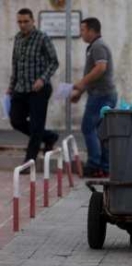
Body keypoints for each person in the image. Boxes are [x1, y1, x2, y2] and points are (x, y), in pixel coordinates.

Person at [7, 8, 59, 165]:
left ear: (33, 21)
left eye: (25, 21)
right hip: (21, 88)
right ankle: (49, 137)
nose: (22, 25)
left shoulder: (42, 38)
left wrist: (42, 79)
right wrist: (11, 87)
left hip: (39, 90)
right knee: (16, 120)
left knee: (37, 125)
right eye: (19, 22)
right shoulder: (17, 38)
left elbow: (54, 62)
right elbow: (15, 65)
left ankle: (29, 161)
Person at [70, 17, 117, 178]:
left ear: (91, 30)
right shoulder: (94, 47)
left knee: (88, 127)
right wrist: (81, 92)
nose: (81, 33)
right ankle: (104, 167)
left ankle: (94, 164)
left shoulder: (98, 46)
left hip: (101, 95)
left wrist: (81, 84)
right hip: (101, 94)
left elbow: (101, 68)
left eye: (83, 29)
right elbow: (94, 72)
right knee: (99, 131)